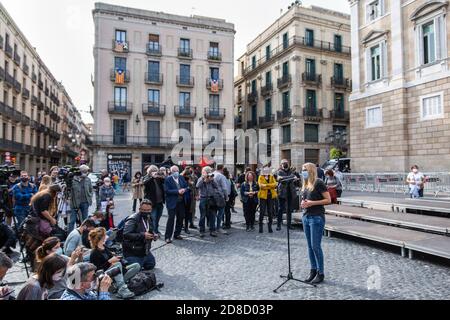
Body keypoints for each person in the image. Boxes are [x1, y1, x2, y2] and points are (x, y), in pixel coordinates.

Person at [300, 163, 331, 285]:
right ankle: (313, 270)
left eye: (305, 170)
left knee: (315, 246)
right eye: (302, 170)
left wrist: (311, 203)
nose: (303, 172)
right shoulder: (305, 184)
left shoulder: (318, 182)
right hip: (306, 217)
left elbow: (328, 200)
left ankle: (320, 272)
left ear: (311, 170)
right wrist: (303, 204)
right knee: (309, 246)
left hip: (316, 217)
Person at [89, 227, 138, 299]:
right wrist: (109, 262)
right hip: (105, 273)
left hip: (115, 268)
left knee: (136, 266)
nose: (106, 236)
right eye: (104, 236)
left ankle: (117, 285)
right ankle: (122, 289)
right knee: (117, 265)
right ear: (101, 238)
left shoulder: (104, 246)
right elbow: (97, 270)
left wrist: (116, 257)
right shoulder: (94, 253)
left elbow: (112, 257)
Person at [122, 200, 157, 270]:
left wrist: (153, 235)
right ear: (139, 209)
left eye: (148, 210)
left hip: (144, 250)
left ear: (151, 209)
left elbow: (149, 229)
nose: (146, 212)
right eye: (144, 210)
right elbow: (126, 234)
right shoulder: (133, 219)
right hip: (133, 252)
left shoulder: (149, 218)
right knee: (136, 270)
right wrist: (143, 235)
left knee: (151, 265)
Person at [164, 166, 188, 243]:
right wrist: (177, 191)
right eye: (174, 171)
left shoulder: (181, 177)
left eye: (177, 170)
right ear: (171, 172)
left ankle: (177, 234)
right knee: (171, 219)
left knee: (180, 218)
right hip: (172, 202)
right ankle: (167, 237)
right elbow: (167, 190)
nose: (176, 172)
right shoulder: (168, 179)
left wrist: (184, 190)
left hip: (181, 202)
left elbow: (186, 187)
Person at [196, 167, 220, 237]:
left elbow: (216, 187)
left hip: (211, 199)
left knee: (212, 215)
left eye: (210, 172)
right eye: (208, 172)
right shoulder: (201, 178)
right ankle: (202, 231)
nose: (209, 174)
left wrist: (212, 180)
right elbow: (197, 186)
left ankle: (212, 230)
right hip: (203, 199)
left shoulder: (212, 179)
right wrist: (204, 179)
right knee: (203, 215)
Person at [69, 165, 93, 232]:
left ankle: (84, 234)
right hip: (74, 202)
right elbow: (68, 190)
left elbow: (91, 190)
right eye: (84, 171)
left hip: (85, 202)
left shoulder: (88, 180)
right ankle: (70, 234)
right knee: (72, 220)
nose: (86, 172)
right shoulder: (73, 179)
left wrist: (90, 196)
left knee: (85, 220)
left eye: (86, 171)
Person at [143, 166, 165, 235]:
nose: (155, 172)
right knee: (153, 218)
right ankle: (153, 231)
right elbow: (145, 183)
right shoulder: (146, 177)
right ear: (150, 172)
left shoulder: (158, 178)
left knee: (158, 217)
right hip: (152, 202)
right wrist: (152, 177)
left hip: (160, 202)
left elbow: (164, 180)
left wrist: (163, 174)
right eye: (153, 171)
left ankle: (156, 229)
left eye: (156, 171)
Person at [277, 160, 297, 231]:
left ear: (288, 164)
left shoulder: (291, 171)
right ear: (281, 164)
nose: (284, 164)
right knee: (280, 209)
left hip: (290, 192)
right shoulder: (279, 171)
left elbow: (293, 178)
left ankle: (289, 225)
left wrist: (285, 178)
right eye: (283, 163)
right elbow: (281, 180)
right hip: (282, 192)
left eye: (285, 163)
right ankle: (278, 225)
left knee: (289, 210)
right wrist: (290, 178)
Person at [257, 167, 277, 233]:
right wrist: (270, 186)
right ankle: (260, 226)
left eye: (267, 170)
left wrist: (266, 185)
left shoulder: (271, 176)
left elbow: (275, 184)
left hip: (271, 196)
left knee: (270, 212)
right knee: (262, 212)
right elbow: (260, 186)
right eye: (265, 170)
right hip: (263, 196)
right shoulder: (260, 177)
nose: (266, 171)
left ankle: (270, 226)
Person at [213, 165, 229, 235]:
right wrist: (227, 196)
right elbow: (224, 188)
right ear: (222, 169)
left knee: (213, 213)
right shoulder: (221, 176)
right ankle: (218, 228)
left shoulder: (211, 174)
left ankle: (212, 227)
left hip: (211, 196)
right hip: (219, 196)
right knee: (220, 213)